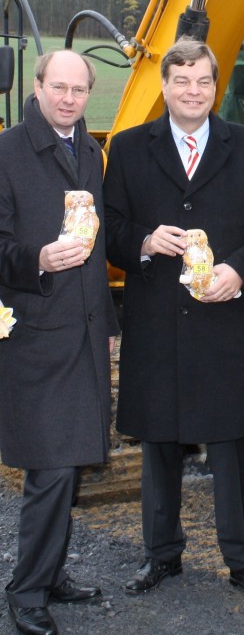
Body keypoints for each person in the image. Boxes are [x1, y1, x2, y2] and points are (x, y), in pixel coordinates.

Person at [103, 38, 244, 601]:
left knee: (233, 446)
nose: (192, 91)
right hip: (157, 323)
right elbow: (107, 228)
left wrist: (240, 272)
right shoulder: (131, 147)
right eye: (181, 81)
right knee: (159, 445)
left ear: (215, 86)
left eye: (203, 81)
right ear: (164, 87)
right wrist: (141, 239)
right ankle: (161, 555)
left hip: (223, 322)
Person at [0, 51, 119, 635]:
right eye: (59, 88)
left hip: (88, 330)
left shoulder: (91, 151)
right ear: (39, 87)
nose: (69, 99)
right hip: (39, 334)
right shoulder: (6, 152)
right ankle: (26, 593)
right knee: (51, 468)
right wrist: (38, 260)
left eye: (79, 90)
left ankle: (50, 574)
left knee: (71, 465)